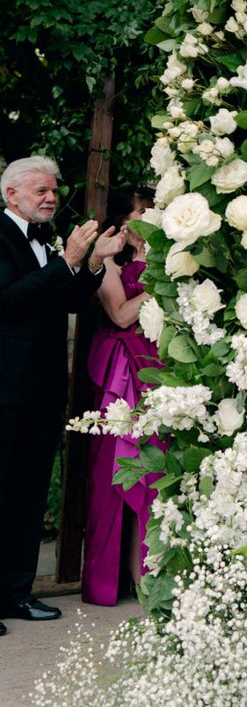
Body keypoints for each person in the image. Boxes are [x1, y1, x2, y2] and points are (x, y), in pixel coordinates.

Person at [0, 155, 124, 635]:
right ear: (12, 195)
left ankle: (15, 593)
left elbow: (66, 301)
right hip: (6, 392)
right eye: (40, 191)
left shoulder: (46, 241)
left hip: (42, 391)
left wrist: (92, 262)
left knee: (27, 498)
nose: (51, 198)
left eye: (54, 190)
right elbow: (9, 300)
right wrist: (68, 261)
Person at [81, 187, 164, 606]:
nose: (149, 218)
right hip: (123, 368)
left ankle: (149, 573)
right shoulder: (108, 260)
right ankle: (118, 579)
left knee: (155, 476)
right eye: (142, 212)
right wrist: (165, 285)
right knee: (122, 470)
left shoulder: (166, 256)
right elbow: (120, 314)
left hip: (160, 365)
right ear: (125, 220)